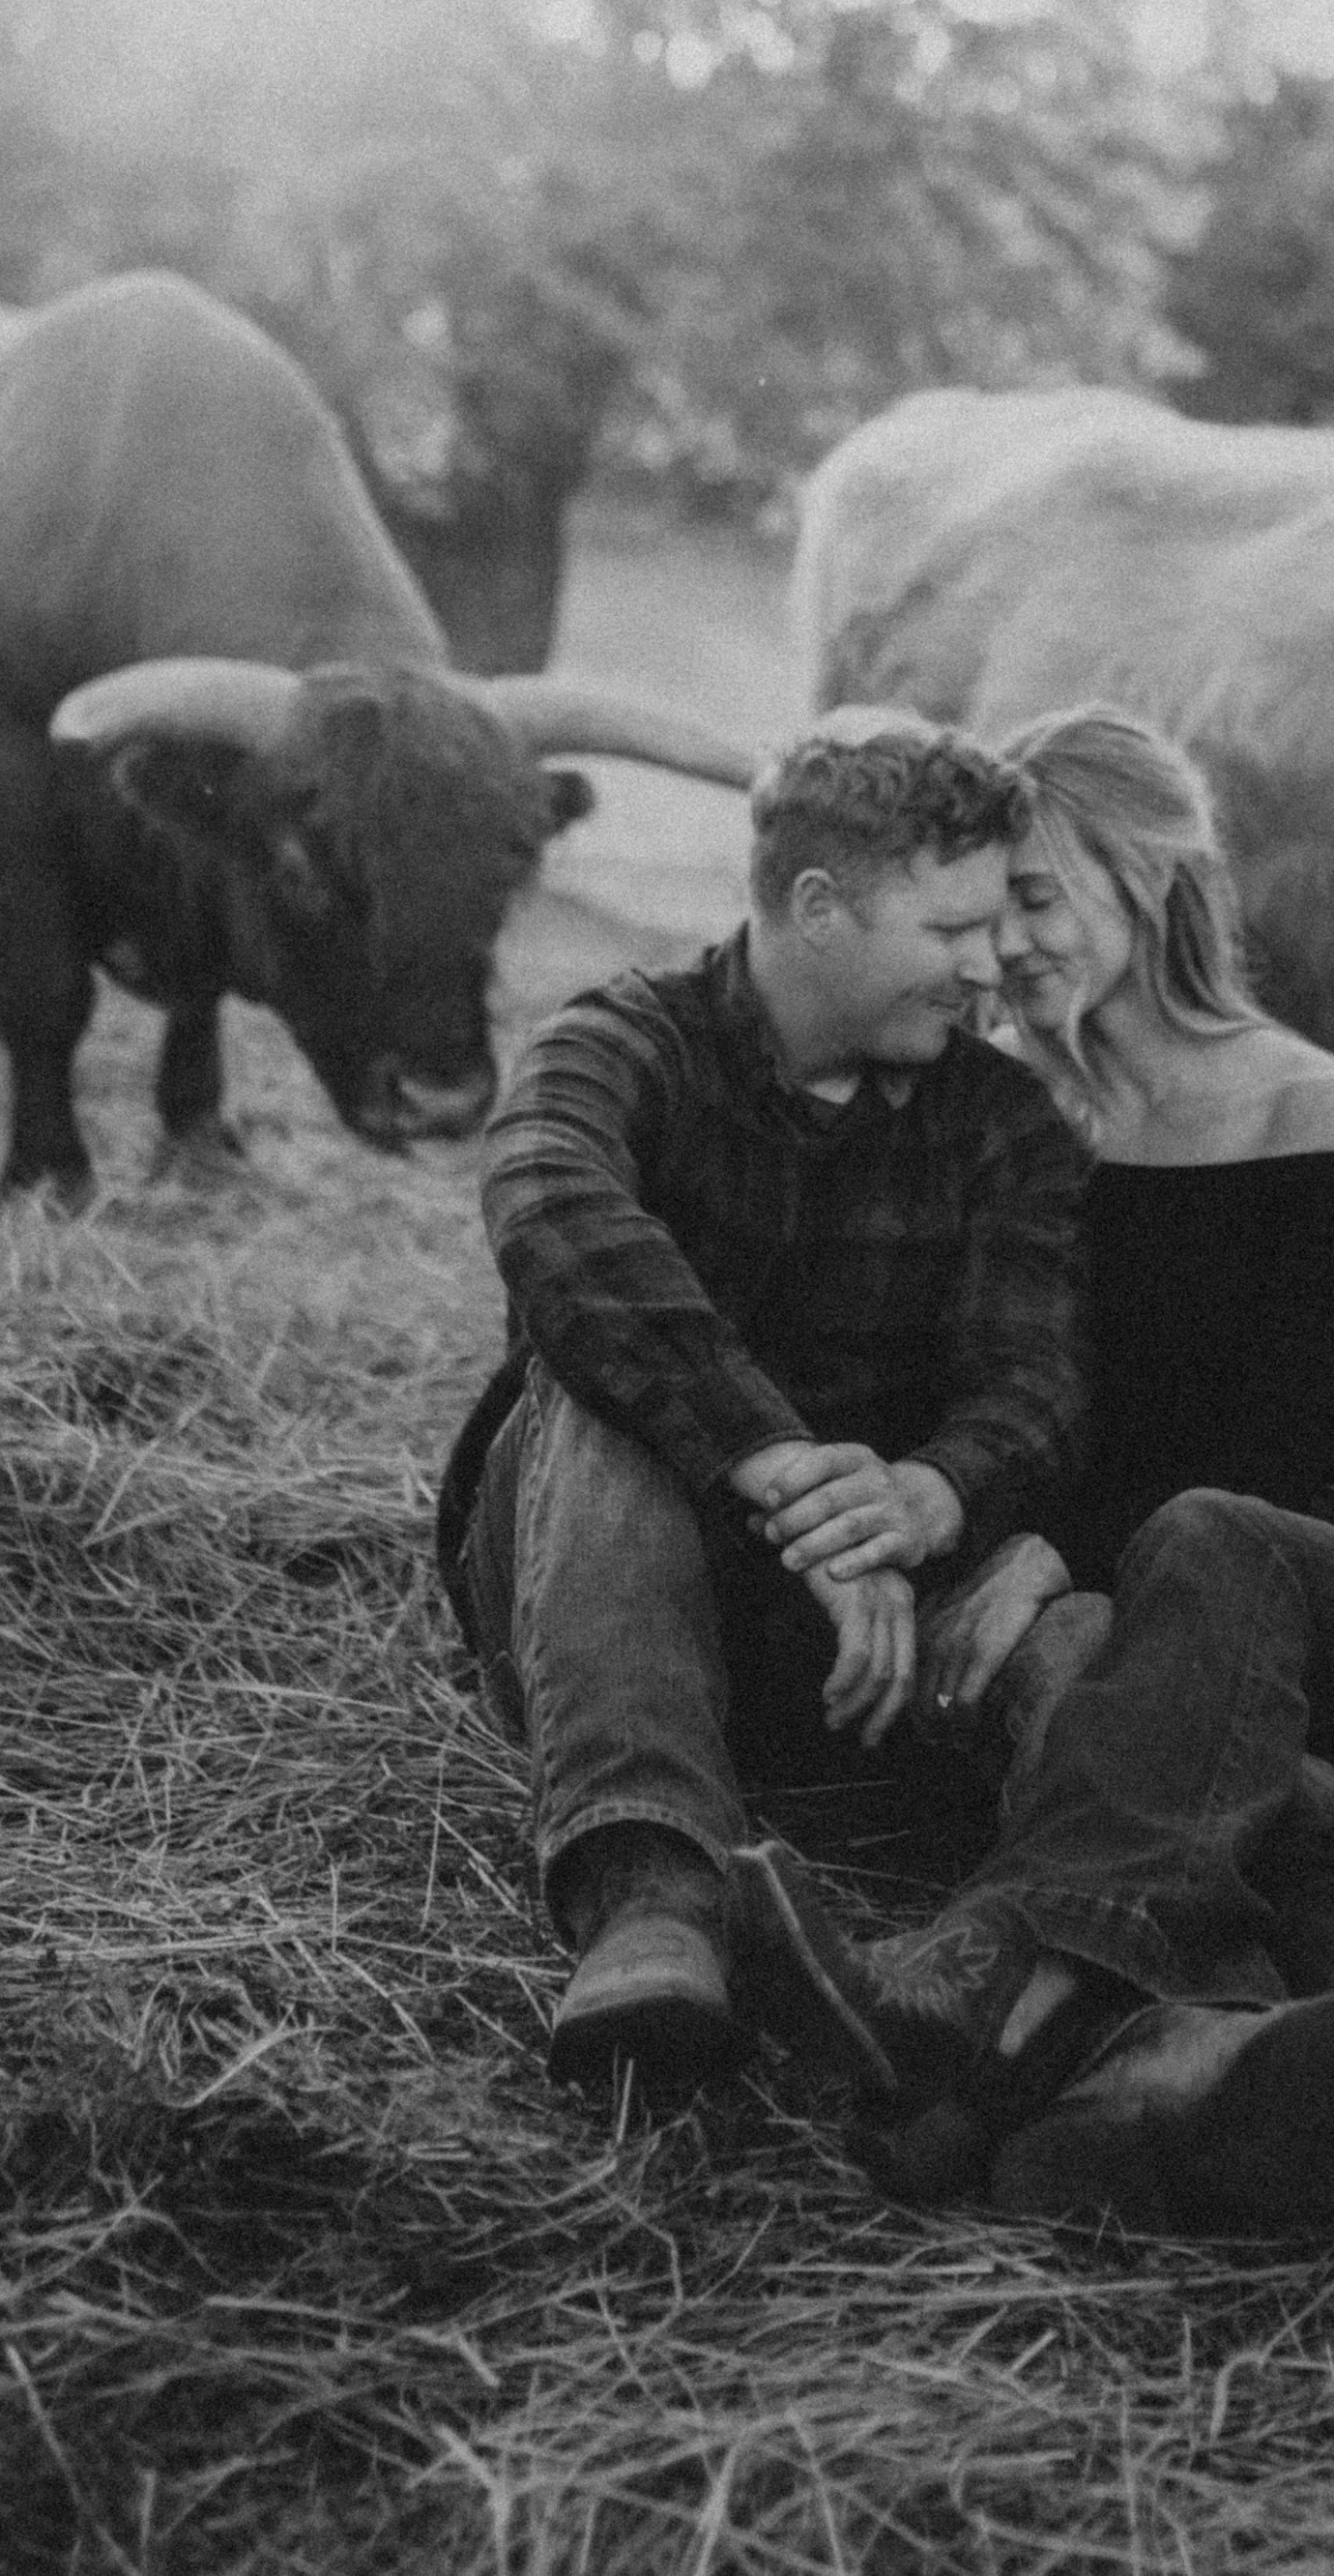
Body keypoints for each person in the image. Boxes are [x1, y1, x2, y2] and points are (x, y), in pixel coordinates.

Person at [734, 709, 1334, 2341]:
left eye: (1042, 899)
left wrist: (1054, 1544)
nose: (1008, 950)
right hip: (1203, 1677)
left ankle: (985, 1978)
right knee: (1284, 1792)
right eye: (983, 920)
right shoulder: (1008, 1126)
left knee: (1208, 1532)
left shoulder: (1317, 1106)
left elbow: (1280, 1438)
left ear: (1151, 877)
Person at [434, 715, 1092, 2103]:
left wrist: (929, 1495)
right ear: (817, 905)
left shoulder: (1006, 1119)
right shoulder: (623, 1041)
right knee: (599, 1388)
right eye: (951, 927)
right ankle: (653, 1904)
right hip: (600, 1603)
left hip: (876, 1636)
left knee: (1084, 1640)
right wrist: (774, 1463)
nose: (993, 965)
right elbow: (552, 1199)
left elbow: (1032, 1376)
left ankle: (1062, 1951)